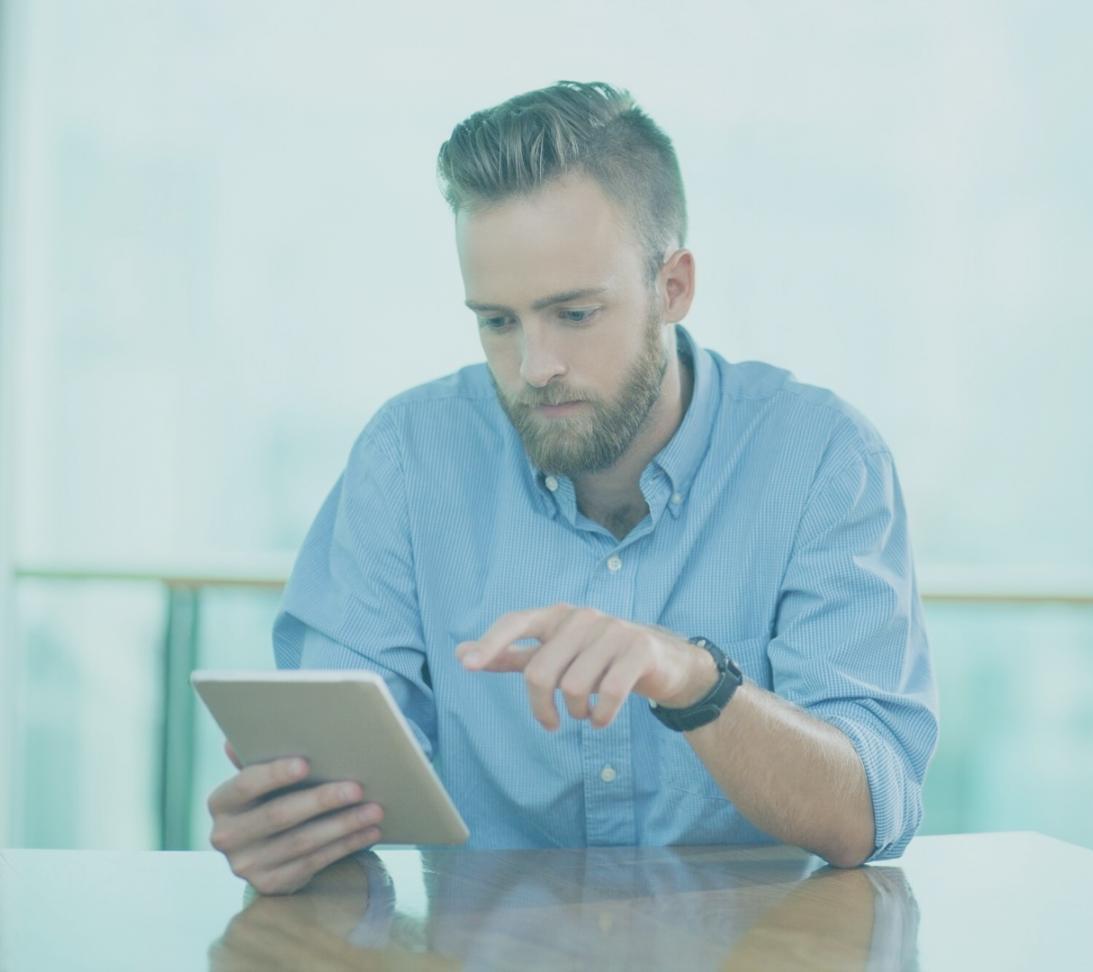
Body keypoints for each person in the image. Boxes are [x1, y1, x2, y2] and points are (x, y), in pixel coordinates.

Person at [206, 80, 938, 895]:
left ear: (673, 287)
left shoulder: (821, 460)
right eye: (498, 321)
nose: (535, 366)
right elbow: (340, 774)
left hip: (764, 948)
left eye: (576, 314)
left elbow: (868, 812)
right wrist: (291, 830)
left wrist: (693, 680)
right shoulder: (409, 459)